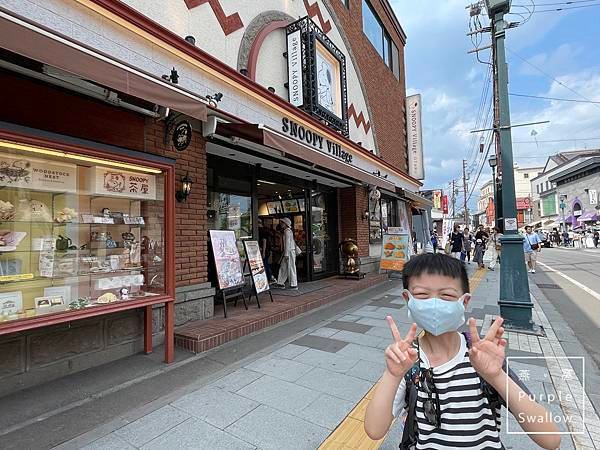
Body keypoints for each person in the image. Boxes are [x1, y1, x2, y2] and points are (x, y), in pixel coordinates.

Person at [364, 253, 560, 450]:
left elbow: (550, 439)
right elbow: (374, 430)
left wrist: (496, 376)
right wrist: (392, 374)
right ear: (408, 299)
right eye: (422, 294)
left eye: (447, 295)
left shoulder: (482, 357)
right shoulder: (408, 361)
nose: (434, 304)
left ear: (464, 302)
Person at [272, 217, 298, 290]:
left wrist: (286, 254)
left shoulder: (287, 231)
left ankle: (293, 284)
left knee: (290, 267)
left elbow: (287, 243)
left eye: (282, 223)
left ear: (286, 224)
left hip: (289, 252)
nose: (281, 224)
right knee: (284, 267)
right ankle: (281, 282)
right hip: (289, 251)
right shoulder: (288, 231)